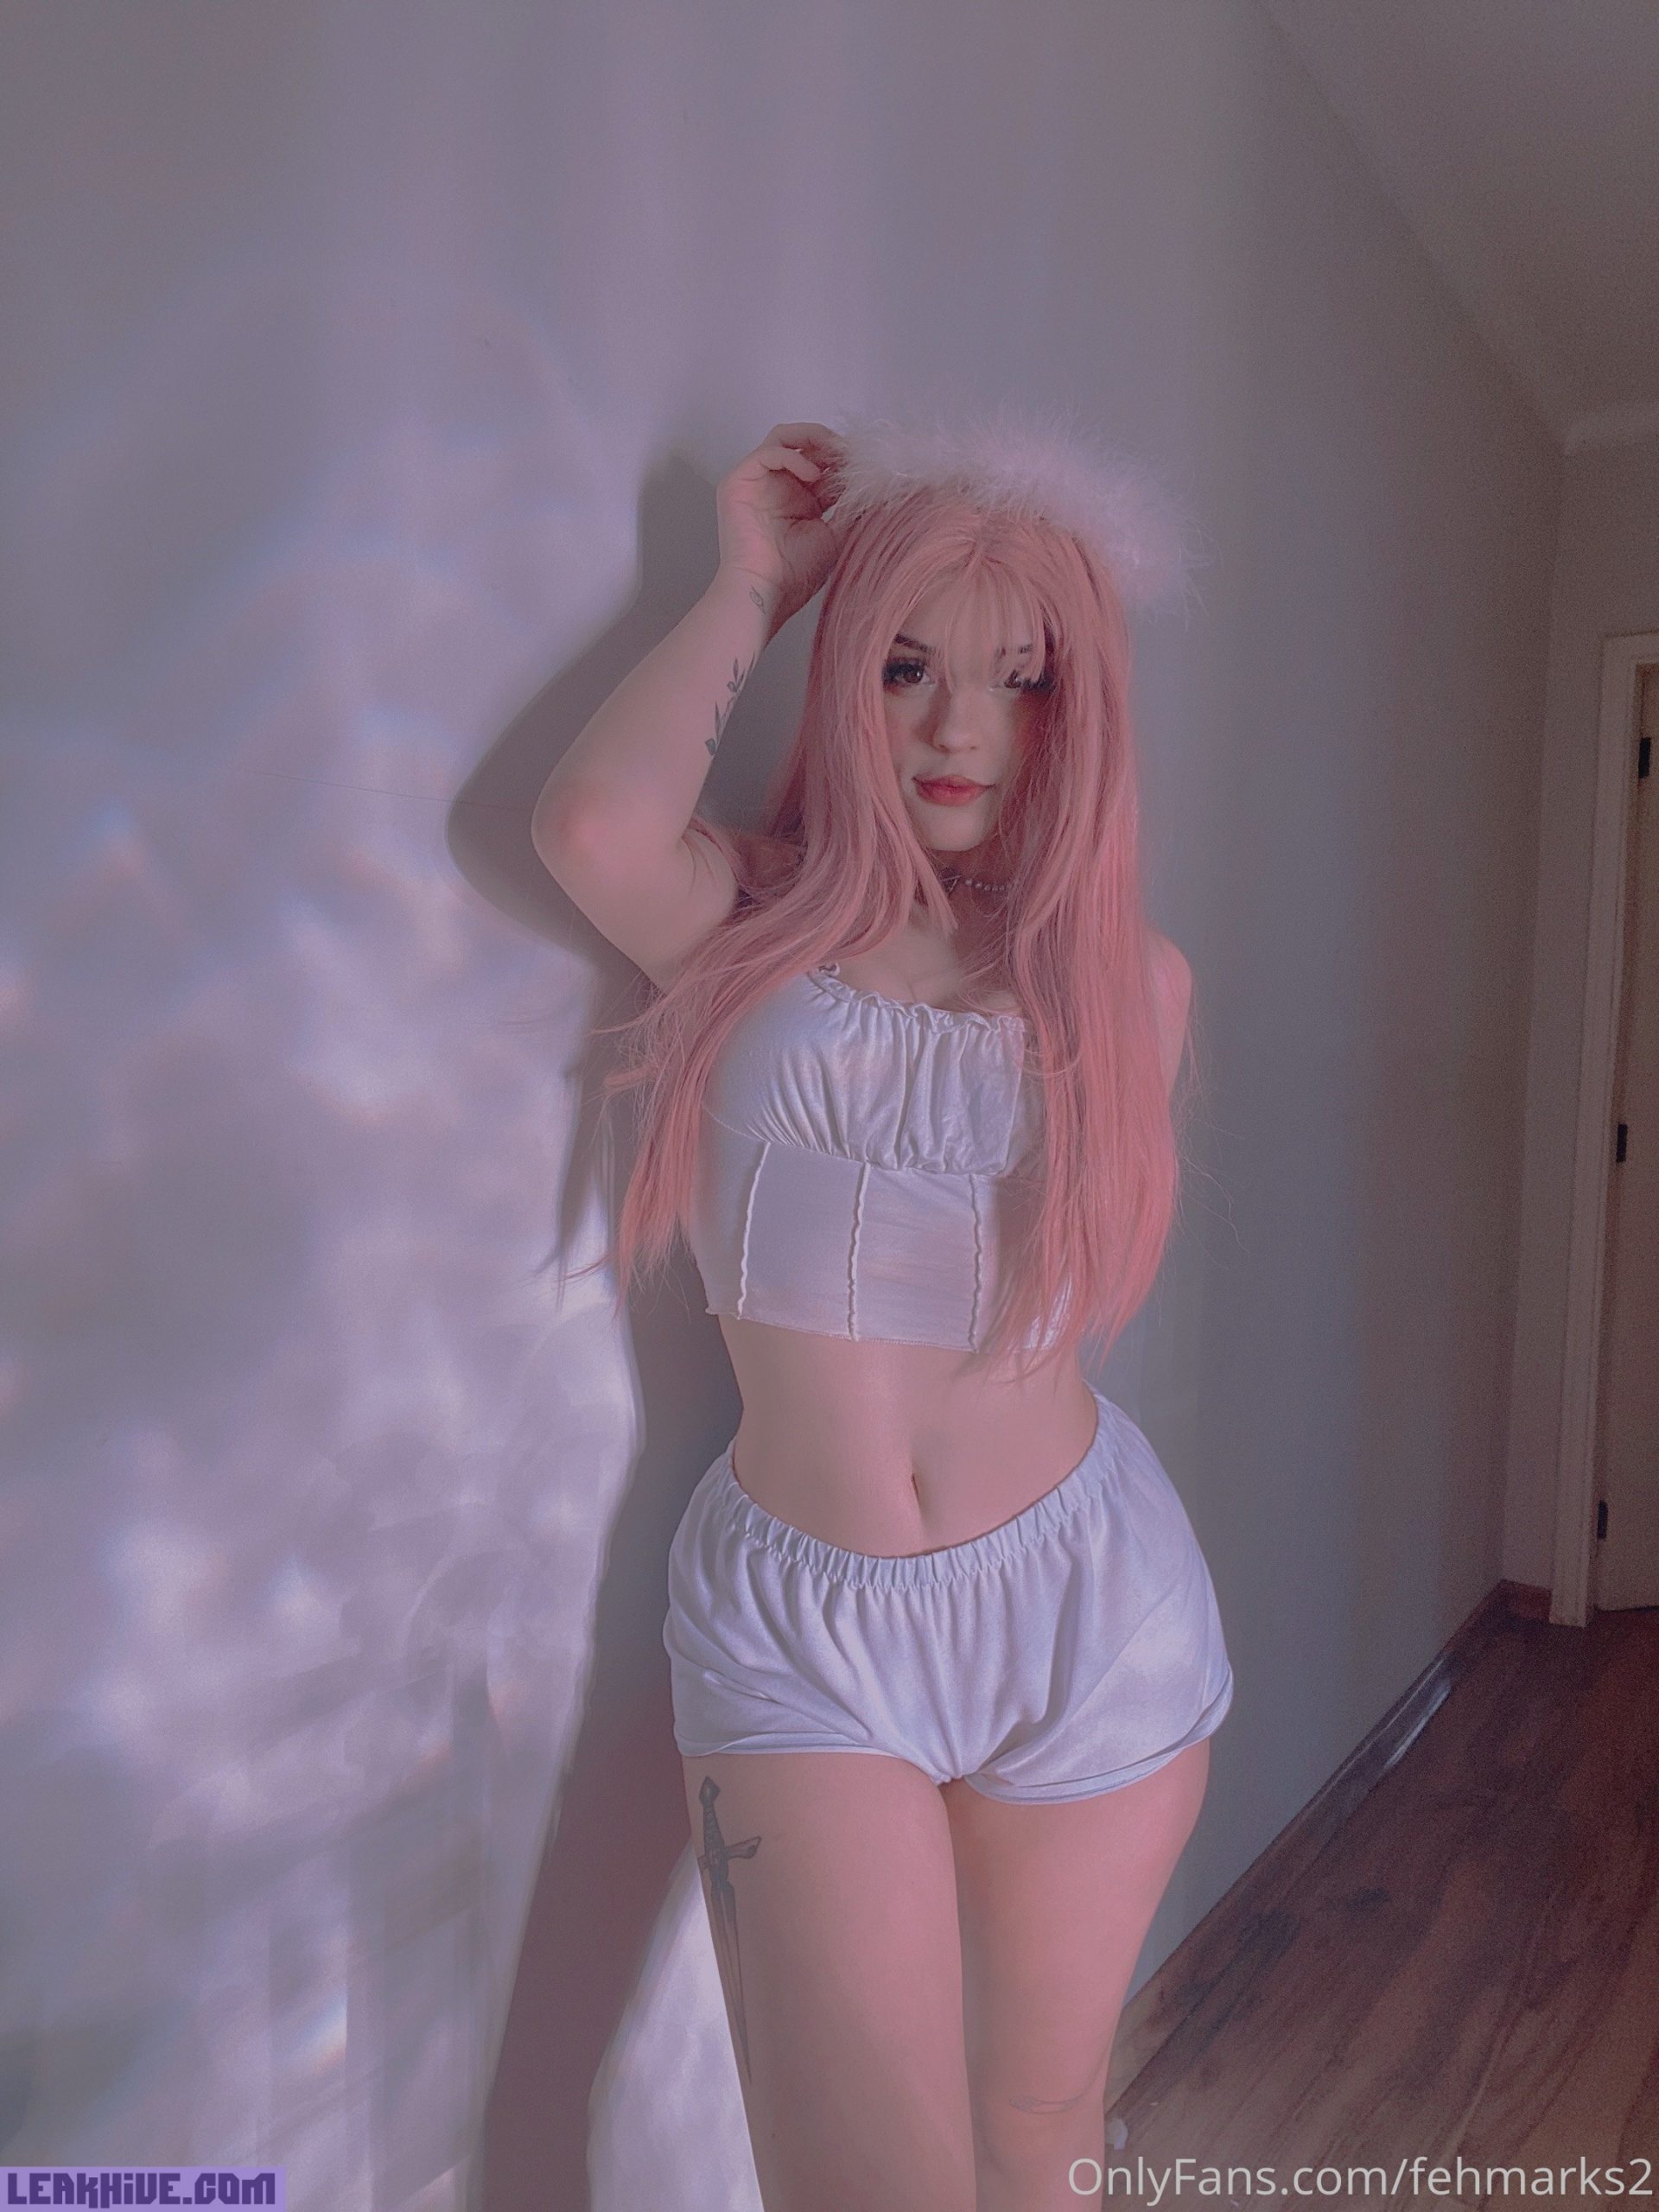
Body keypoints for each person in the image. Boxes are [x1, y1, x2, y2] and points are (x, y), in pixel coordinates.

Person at [532, 406, 1234, 2212]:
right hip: (803, 1625)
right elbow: (590, 822)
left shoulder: (1127, 986)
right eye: (907, 667)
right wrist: (752, 585)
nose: (955, 730)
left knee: (1039, 2132)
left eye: (1020, 681)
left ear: (1081, 713)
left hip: (1088, 1607)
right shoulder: (744, 923)